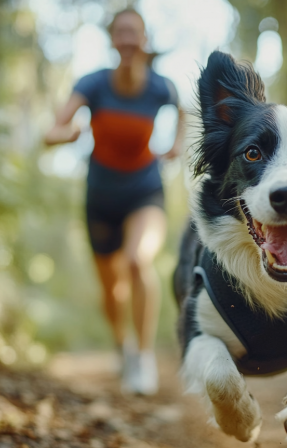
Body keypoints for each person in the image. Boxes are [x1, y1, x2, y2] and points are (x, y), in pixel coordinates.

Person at [44, 8, 185, 395]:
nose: (126, 38)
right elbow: (52, 130)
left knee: (139, 261)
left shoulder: (161, 87)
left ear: (144, 40)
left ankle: (142, 358)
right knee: (110, 289)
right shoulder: (92, 84)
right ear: (111, 39)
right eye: (119, 31)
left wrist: (175, 145)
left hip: (145, 189)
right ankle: (122, 345)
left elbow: (184, 112)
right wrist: (65, 134)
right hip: (101, 195)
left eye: (133, 32)